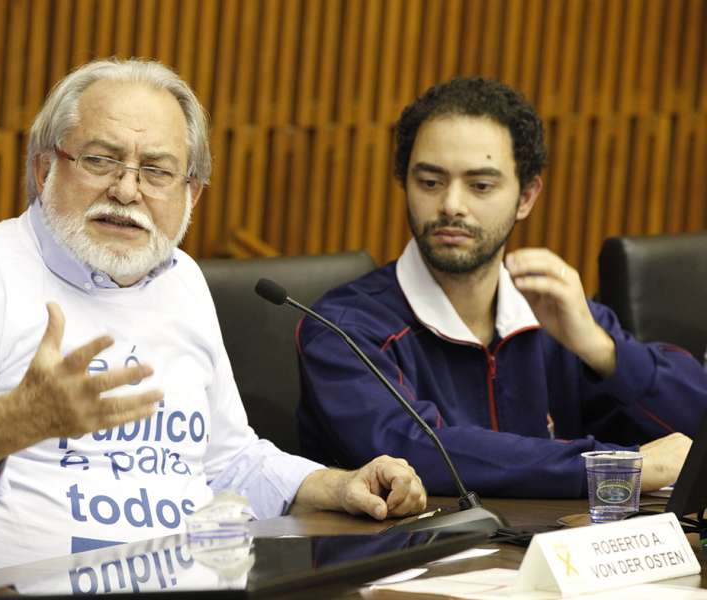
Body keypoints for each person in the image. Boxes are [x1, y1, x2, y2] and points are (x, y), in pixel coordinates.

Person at [0, 59, 426, 582]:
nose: (126, 190)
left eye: (156, 171)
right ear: (45, 170)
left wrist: (338, 485)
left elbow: (226, 462)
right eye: (100, 160)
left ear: (190, 194)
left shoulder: (183, 281)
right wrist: (18, 419)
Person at [297, 77, 707, 499]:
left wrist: (603, 351)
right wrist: (614, 467)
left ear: (526, 196)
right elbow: (418, 451)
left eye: (480, 186)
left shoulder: (554, 314)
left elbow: (695, 429)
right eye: (430, 182)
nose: (452, 205)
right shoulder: (344, 327)